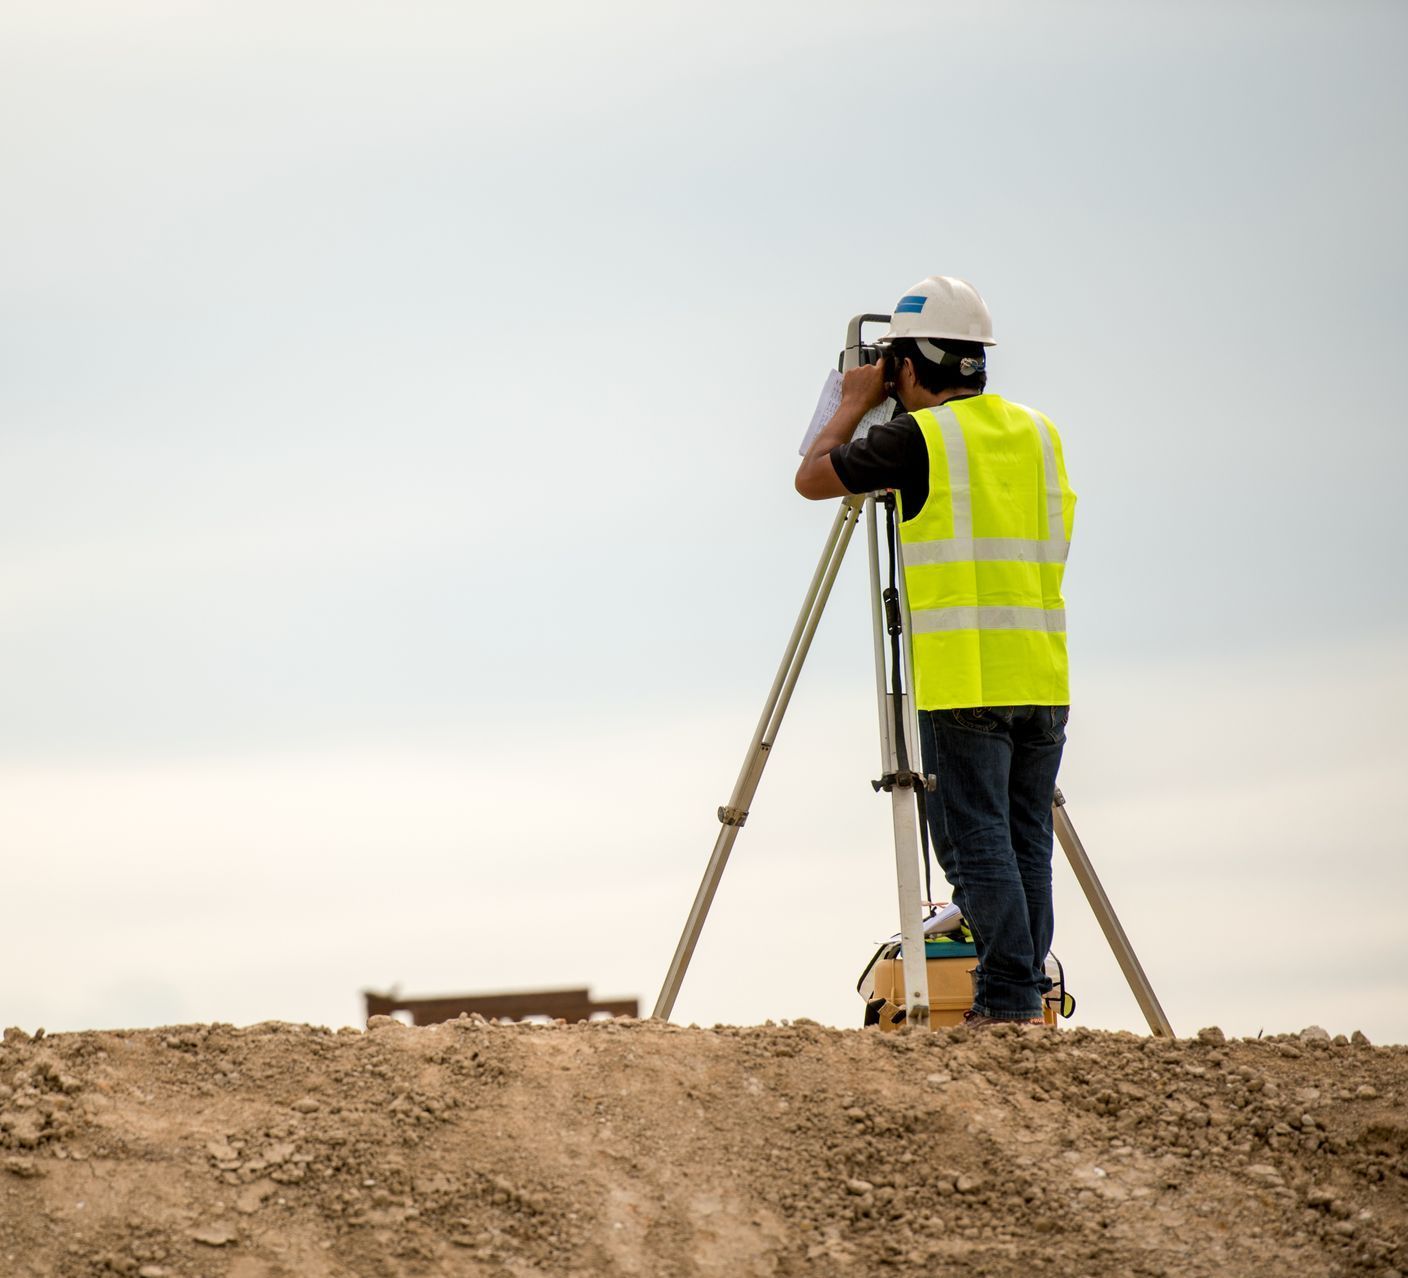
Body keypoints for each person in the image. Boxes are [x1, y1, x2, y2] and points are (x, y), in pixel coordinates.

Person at [794, 276, 1076, 1027]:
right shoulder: (1039, 432)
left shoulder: (921, 439)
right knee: (1025, 846)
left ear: (910, 366)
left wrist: (854, 403)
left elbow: (811, 479)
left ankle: (1009, 1003)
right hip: (1042, 673)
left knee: (976, 848)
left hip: (963, 677)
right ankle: (1024, 998)